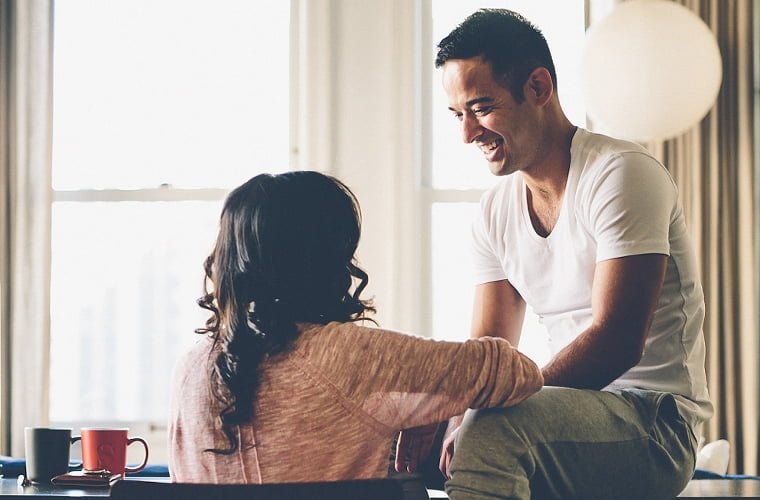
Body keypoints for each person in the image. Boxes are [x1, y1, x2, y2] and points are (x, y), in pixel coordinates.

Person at [408, 8, 712, 500]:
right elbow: (492, 347)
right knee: (416, 433)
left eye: (482, 107)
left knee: (493, 428)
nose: (467, 133)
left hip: (655, 425)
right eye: (457, 114)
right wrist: (450, 416)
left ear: (538, 88)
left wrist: (490, 411)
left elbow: (616, 339)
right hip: (568, 416)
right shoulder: (494, 212)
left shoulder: (621, 173)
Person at [168, 170, 543, 484]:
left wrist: (428, 405)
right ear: (325, 259)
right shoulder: (350, 354)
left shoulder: (190, 371)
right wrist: (439, 405)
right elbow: (516, 372)